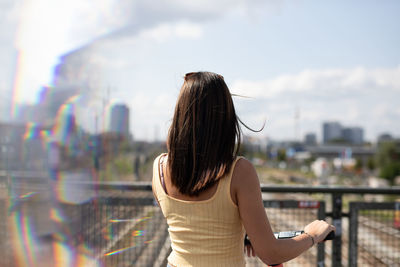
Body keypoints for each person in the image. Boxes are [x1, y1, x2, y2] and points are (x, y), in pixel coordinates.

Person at [152, 71, 335, 267]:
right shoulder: (239, 171)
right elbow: (271, 254)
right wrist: (312, 235)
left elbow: (195, 222)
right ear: (225, 117)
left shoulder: (159, 167)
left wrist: (241, 234)